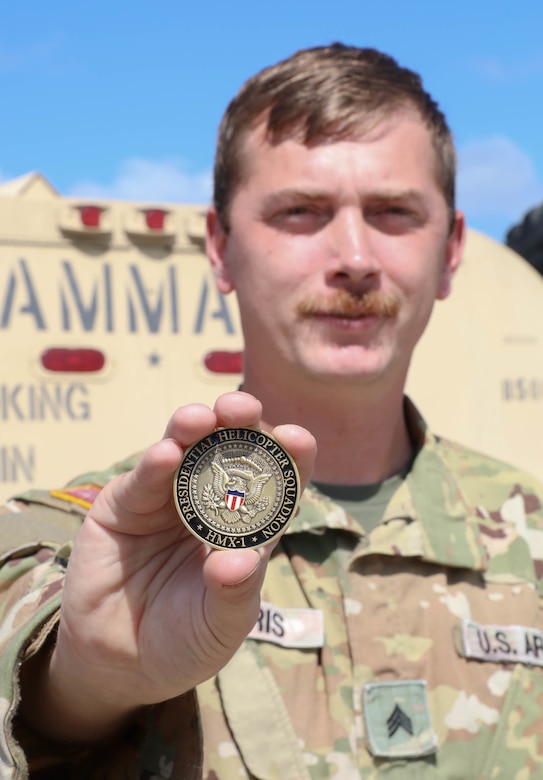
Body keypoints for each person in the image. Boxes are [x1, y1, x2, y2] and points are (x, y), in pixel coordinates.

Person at [1, 42, 543, 779]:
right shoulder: (110, 536)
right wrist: (86, 685)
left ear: (450, 251)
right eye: (300, 212)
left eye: (393, 213)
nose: (354, 257)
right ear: (219, 249)